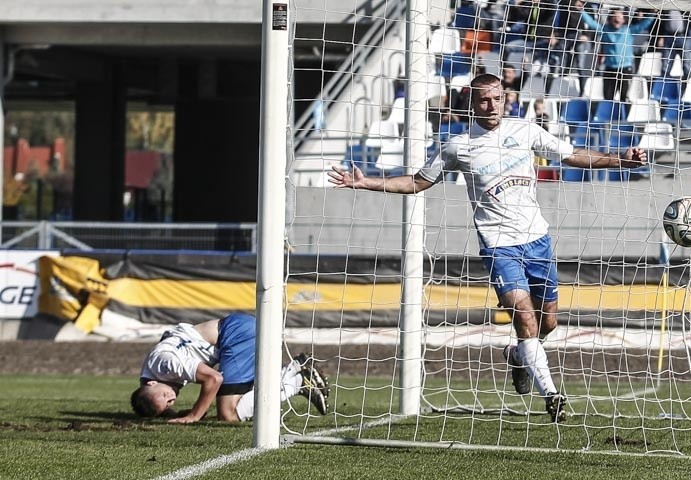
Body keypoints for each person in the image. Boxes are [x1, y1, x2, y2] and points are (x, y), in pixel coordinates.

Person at [328, 74, 648, 422]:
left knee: (549, 323)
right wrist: (366, 182)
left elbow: (571, 155)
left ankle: (518, 355)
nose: (492, 105)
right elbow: (418, 182)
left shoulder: (525, 131)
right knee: (525, 318)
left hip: (537, 240)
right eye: (484, 100)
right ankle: (553, 396)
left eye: (497, 98)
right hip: (498, 246)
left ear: (505, 99)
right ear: (472, 104)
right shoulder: (458, 146)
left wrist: (620, 159)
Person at [130, 312, 329, 423]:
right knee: (238, 399)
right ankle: (296, 369)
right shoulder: (150, 379)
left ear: (153, 382)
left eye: (166, 396)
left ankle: (298, 380)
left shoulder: (166, 363)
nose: (172, 399)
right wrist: (170, 413)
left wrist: (193, 415)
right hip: (238, 329)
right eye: (168, 403)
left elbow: (214, 379)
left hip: (236, 335)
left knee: (228, 414)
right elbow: (150, 398)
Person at [581, 7, 655, 101]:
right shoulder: (605, 31)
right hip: (609, 70)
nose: (617, 19)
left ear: (624, 19)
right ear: (610, 18)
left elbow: (644, 24)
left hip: (625, 70)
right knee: (608, 98)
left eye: (620, 17)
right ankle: (609, 115)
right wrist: (581, 11)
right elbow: (592, 24)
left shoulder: (629, 31)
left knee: (624, 98)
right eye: (615, 17)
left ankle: (622, 115)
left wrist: (652, 14)